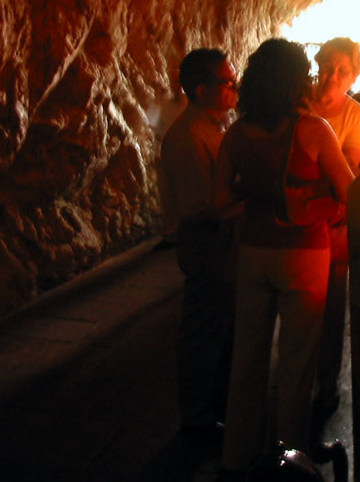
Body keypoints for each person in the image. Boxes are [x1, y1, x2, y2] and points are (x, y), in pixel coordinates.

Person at [215, 39, 354, 475]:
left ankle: (237, 458)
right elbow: (350, 191)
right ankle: (289, 461)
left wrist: (255, 198)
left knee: (247, 358)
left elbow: (219, 198)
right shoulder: (313, 129)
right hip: (305, 252)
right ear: (297, 80)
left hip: (254, 251)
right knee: (297, 362)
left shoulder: (237, 133)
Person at [159, 48, 240, 441]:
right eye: (227, 82)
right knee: (204, 331)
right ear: (202, 90)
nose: (234, 87)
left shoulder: (217, 125)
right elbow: (199, 207)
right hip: (206, 242)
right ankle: (196, 417)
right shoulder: (190, 137)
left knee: (221, 328)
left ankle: (214, 407)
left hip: (220, 240)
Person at [308, 38, 360, 426]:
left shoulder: (357, 116)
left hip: (330, 220)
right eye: (328, 66)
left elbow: (344, 172)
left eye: (342, 71)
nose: (332, 76)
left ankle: (326, 383)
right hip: (296, 218)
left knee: (330, 307)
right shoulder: (297, 100)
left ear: (355, 75)